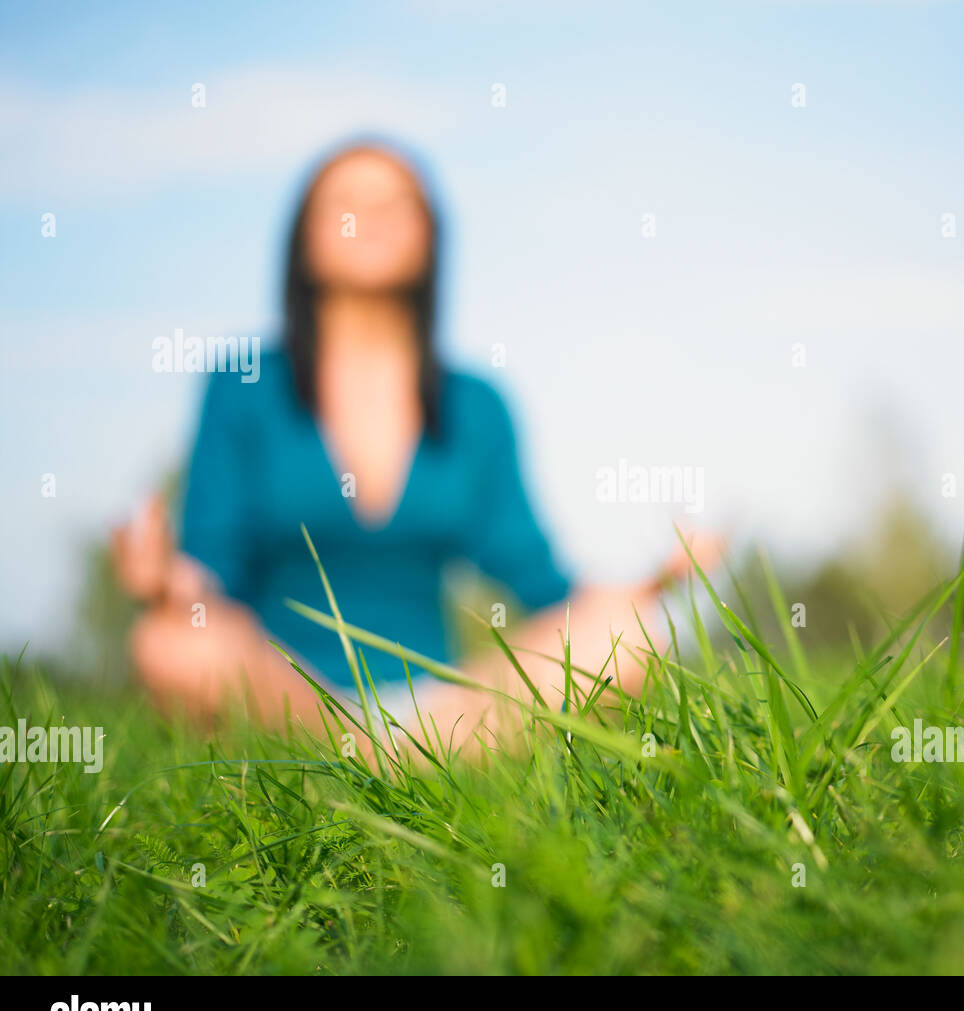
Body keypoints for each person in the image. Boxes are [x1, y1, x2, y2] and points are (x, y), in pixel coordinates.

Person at [112, 141, 715, 755]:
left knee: (629, 638)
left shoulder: (477, 403)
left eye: (395, 204)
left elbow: (538, 577)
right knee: (170, 643)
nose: (369, 216)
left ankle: (391, 757)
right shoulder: (243, 383)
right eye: (345, 203)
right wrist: (162, 582)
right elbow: (214, 569)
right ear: (305, 239)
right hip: (289, 699)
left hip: (444, 707)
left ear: (430, 236)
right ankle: (381, 757)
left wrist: (654, 583)